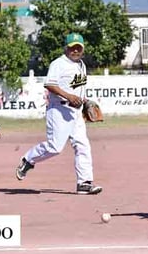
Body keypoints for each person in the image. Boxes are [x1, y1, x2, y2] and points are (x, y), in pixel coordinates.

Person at [15, 33, 102, 195]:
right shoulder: (58, 63)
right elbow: (49, 85)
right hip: (59, 110)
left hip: (75, 112)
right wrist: (69, 97)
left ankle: (84, 183)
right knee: (55, 147)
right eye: (72, 47)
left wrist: (84, 101)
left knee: (83, 145)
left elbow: (76, 89)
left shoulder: (81, 65)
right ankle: (28, 159)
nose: (75, 51)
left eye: (78, 48)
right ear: (66, 48)